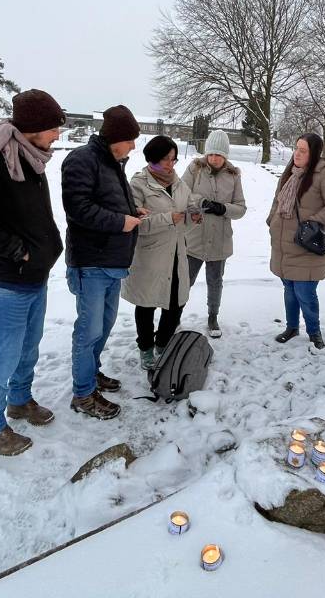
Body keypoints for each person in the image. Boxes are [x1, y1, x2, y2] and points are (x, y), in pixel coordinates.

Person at [0, 89, 66, 456]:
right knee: (0, 355)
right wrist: (19, 251)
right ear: (33, 127)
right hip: (3, 280)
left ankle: (19, 401)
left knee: (27, 350)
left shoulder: (30, 157)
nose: (58, 135)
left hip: (33, 276)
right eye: (53, 128)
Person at [61, 105, 143, 419]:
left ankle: (91, 374)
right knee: (89, 330)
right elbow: (77, 208)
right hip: (91, 262)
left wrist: (133, 215)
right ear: (116, 137)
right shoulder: (82, 160)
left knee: (104, 327)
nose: (134, 146)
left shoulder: (113, 163)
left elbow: (109, 203)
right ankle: (82, 394)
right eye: (131, 139)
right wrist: (119, 222)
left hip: (113, 262)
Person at [121, 135, 193, 369]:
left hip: (176, 253)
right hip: (150, 256)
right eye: (166, 160)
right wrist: (167, 219)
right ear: (152, 160)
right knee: (147, 304)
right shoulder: (138, 184)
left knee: (176, 303)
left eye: (174, 159)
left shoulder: (178, 182)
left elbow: (187, 207)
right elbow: (136, 223)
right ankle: (145, 349)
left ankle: (163, 343)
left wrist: (194, 215)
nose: (171, 164)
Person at [267, 133, 325, 349]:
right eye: (296, 148)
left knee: (305, 293)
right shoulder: (290, 172)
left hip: (307, 245)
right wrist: (272, 220)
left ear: (314, 153)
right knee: (289, 290)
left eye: (303, 150)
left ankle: (314, 332)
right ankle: (292, 327)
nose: (297, 154)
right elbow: (278, 199)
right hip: (283, 243)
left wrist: (312, 224)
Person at [181, 130, 247, 338]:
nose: (214, 158)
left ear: (225, 155)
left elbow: (241, 208)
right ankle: (175, 313)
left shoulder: (234, 175)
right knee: (185, 280)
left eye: (218, 155)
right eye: (210, 154)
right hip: (194, 237)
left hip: (220, 240)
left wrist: (223, 209)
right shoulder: (195, 168)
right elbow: (181, 193)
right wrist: (200, 203)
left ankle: (212, 316)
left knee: (215, 281)